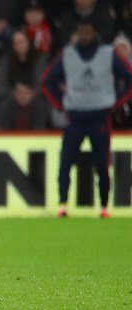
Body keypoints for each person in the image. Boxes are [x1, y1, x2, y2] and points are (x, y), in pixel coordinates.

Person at [41, 19, 132, 218]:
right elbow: (47, 81)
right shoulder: (68, 55)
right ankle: (63, 204)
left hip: (100, 117)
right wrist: (61, 104)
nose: (84, 36)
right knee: (66, 162)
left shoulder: (108, 55)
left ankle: (104, 206)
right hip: (75, 117)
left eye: (87, 32)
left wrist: (116, 103)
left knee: (102, 164)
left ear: (95, 33)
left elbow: (129, 78)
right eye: (81, 32)